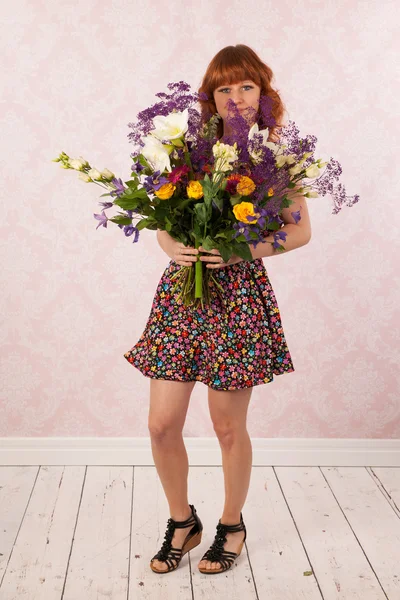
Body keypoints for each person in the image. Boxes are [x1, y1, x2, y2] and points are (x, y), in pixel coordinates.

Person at [124, 44, 312, 575]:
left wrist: (241, 250)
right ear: (211, 97)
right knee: (162, 424)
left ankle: (232, 524)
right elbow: (165, 215)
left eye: (246, 87)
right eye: (224, 88)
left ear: (263, 94)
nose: (236, 97)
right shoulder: (189, 150)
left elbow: (300, 231)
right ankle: (183, 523)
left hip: (238, 299)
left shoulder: (279, 157)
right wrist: (171, 246)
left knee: (228, 427)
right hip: (184, 291)